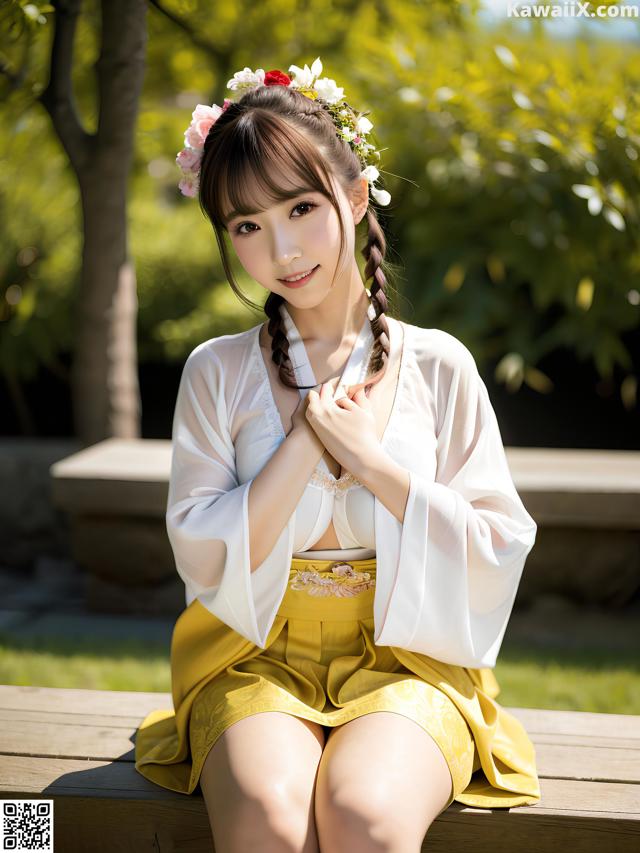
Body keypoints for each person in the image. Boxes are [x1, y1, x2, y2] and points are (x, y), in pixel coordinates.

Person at [135, 57, 541, 852]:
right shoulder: (217, 371)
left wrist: (374, 463)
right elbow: (200, 550)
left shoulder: (440, 365)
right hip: (251, 655)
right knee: (268, 814)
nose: (282, 249)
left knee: (366, 815)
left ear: (354, 197)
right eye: (246, 226)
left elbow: (498, 541)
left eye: (301, 207)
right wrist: (304, 442)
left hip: (409, 657)